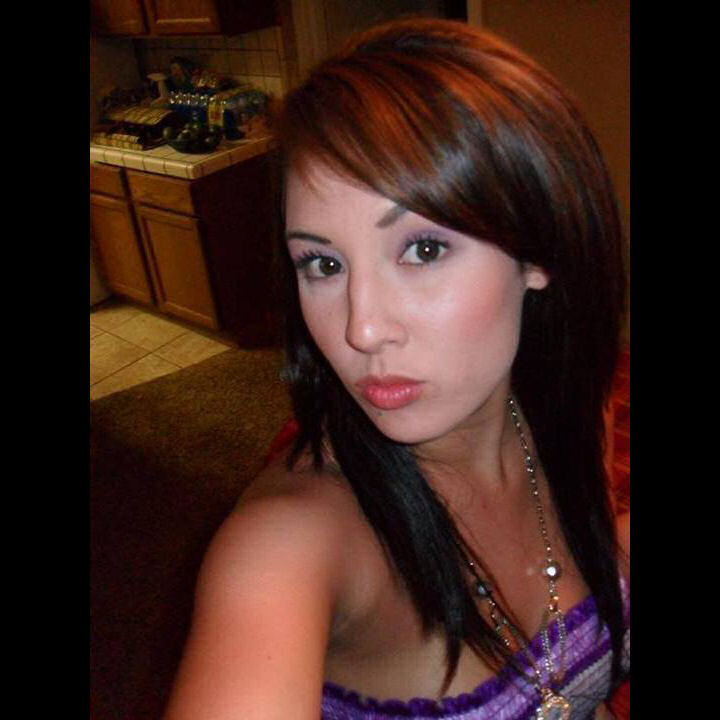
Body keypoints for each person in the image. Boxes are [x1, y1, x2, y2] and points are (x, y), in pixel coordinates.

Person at [163, 17, 630, 720]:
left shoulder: (569, 415)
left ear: (537, 253)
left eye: (423, 250)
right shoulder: (286, 546)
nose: (362, 328)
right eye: (322, 264)